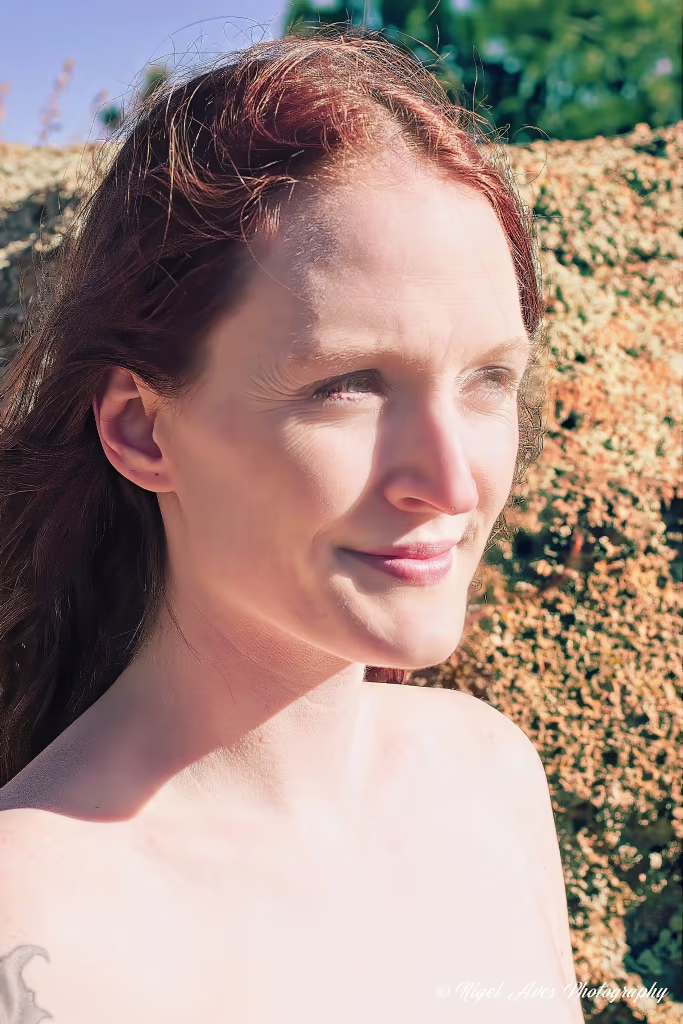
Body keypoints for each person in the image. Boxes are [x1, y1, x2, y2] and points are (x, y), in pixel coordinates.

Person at [0, 24, 584, 1024]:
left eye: (487, 378)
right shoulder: (37, 921)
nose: (450, 481)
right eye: (349, 384)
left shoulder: (489, 782)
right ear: (141, 428)